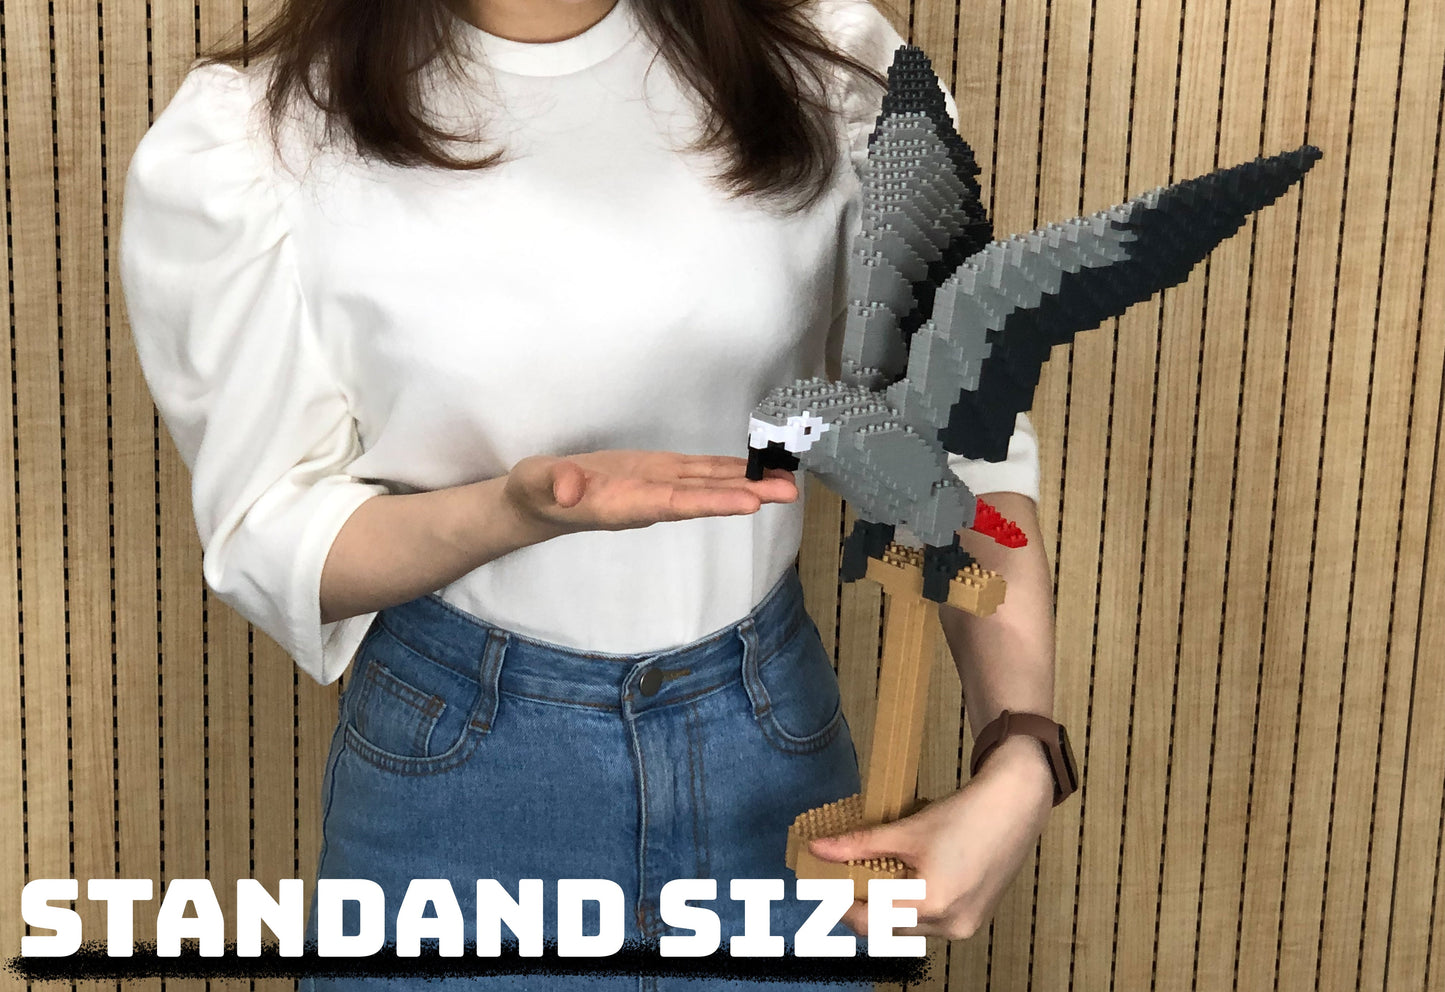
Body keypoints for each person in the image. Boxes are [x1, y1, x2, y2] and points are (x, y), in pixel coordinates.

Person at [119, 0, 1060, 986]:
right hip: (460, 776)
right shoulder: (257, 139)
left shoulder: (830, 66)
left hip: (768, 752)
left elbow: (956, 445)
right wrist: (511, 513)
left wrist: (1021, 747)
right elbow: (273, 533)